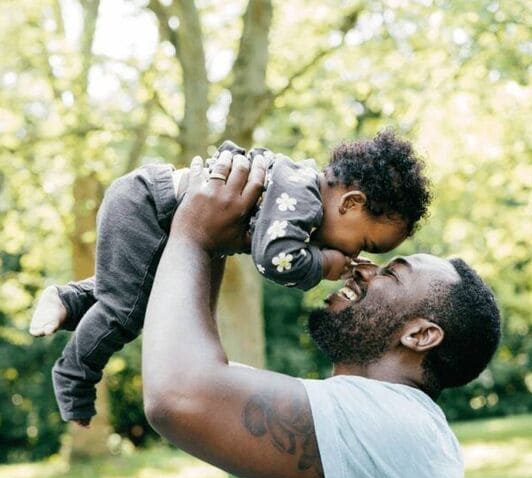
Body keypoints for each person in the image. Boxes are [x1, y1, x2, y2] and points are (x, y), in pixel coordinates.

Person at [136, 153, 502, 478]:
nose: (363, 267)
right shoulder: (356, 410)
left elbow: (178, 394)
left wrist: (194, 234)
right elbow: (196, 368)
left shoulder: (393, 421)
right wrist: (218, 241)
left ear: (420, 335)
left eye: (391, 273)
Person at [30, 131, 432, 425]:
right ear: (352, 202)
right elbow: (275, 259)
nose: (354, 256)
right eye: (363, 242)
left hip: (148, 205)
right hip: (149, 208)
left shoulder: (300, 190)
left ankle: (67, 300)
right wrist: (324, 265)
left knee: (138, 294)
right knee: (124, 314)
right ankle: (74, 378)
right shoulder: (303, 197)